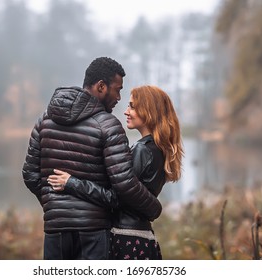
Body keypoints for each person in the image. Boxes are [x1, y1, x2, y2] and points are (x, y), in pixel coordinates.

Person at [22, 57, 162, 260]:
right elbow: (123, 187)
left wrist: (54, 204)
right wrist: (154, 208)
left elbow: (29, 174)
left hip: (55, 229)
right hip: (93, 232)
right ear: (101, 87)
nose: (119, 97)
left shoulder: (44, 119)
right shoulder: (109, 125)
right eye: (117, 89)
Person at [48, 85, 184, 259]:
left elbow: (116, 198)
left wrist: (72, 183)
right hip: (142, 236)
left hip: (127, 238)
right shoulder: (158, 150)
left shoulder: (142, 150)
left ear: (149, 111)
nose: (126, 111)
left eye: (132, 107)